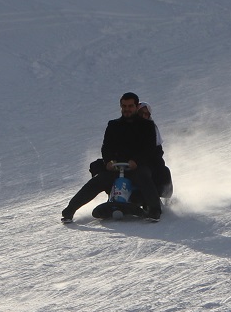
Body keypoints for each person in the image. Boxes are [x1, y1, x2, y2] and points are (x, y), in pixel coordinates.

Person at [61, 92, 165, 223]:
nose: (127, 109)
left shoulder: (147, 126)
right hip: (117, 166)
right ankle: (69, 211)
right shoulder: (114, 125)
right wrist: (109, 161)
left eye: (130, 106)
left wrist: (136, 161)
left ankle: (154, 210)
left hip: (138, 166)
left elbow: (149, 149)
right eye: (124, 106)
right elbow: (106, 147)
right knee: (99, 181)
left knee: (143, 176)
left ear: (136, 106)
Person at [137, 102, 173, 198]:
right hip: (133, 163)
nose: (143, 116)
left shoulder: (152, 128)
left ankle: (162, 196)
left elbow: (156, 150)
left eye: (146, 114)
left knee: (164, 171)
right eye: (141, 113)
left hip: (151, 162)